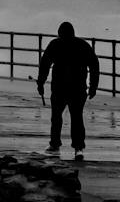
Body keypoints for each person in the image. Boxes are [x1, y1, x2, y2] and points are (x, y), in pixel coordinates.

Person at [36, 21, 99, 157]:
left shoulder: (55, 44)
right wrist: (93, 87)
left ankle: (55, 144)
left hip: (59, 87)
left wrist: (41, 82)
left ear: (60, 33)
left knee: (57, 117)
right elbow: (94, 65)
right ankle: (78, 148)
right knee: (76, 118)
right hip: (78, 88)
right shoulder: (82, 45)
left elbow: (45, 64)